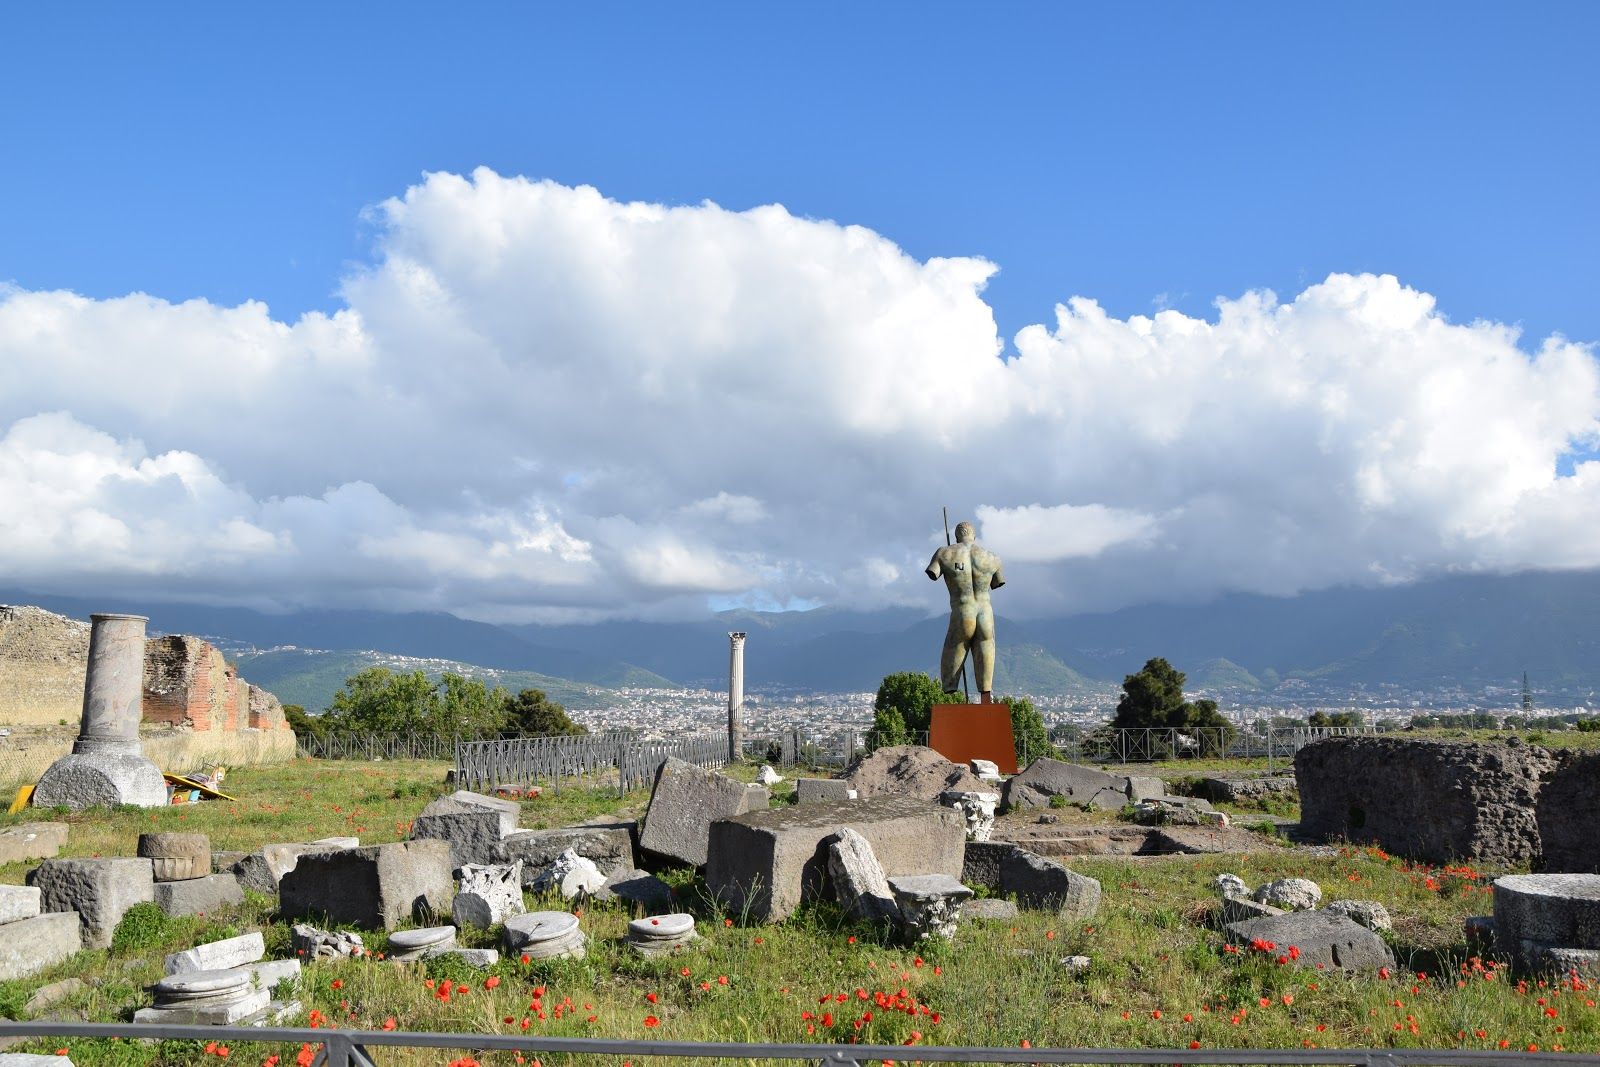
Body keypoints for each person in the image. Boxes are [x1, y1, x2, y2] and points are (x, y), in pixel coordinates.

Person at [925, 521, 1005, 702]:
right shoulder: (992, 557)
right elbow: (997, 582)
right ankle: (986, 692)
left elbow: (933, 573)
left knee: (954, 646)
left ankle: (950, 687)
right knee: (986, 646)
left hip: (963, 610)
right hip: (985, 612)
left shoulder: (944, 552)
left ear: (956, 536)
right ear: (974, 536)